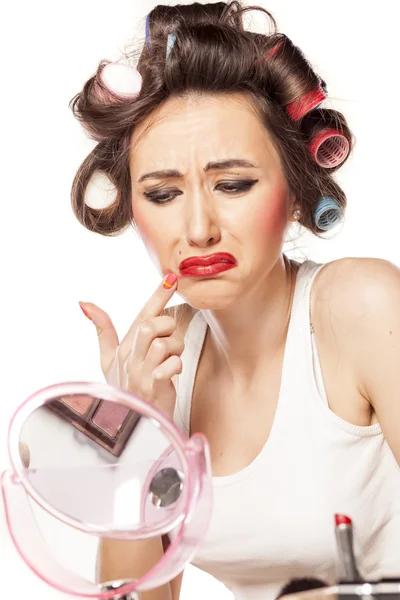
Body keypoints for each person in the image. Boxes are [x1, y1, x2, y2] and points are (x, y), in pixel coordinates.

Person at [69, 2, 400, 599]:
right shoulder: (161, 366)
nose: (197, 229)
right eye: (163, 193)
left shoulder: (363, 308)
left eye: (233, 184)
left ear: (298, 191)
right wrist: (136, 429)